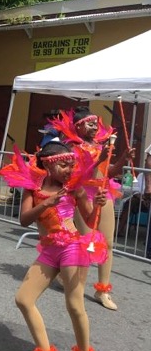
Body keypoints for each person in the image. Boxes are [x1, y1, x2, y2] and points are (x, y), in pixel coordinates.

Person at [0, 141, 108, 351]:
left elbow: (89, 219)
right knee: (23, 299)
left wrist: (97, 204)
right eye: (64, 165)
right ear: (48, 164)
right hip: (49, 250)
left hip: (73, 248)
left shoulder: (74, 187)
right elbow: (24, 220)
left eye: (71, 164)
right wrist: (46, 203)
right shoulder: (32, 187)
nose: (69, 169)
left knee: (74, 304)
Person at [50, 106, 134, 311]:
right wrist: (101, 158)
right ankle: (75, 286)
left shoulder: (99, 146)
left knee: (108, 243)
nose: (95, 127)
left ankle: (102, 290)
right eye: (90, 124)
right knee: (87, 244)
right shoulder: (70, 148)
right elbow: (80, 176)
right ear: (78, 127)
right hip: (82, 196)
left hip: (103, 194)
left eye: (96, 123)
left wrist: (123, 157)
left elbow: (109, 172)